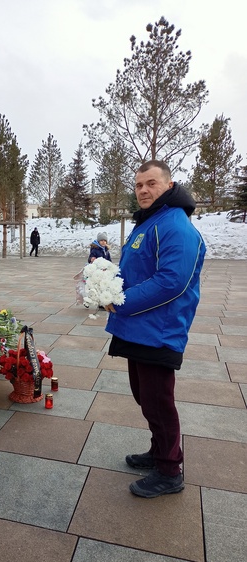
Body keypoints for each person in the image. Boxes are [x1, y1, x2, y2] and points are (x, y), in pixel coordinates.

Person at [104, 159, 206, 499]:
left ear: (168, 184)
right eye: (138, 185)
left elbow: (171, 283)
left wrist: (119, 300)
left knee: (159, 402)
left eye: (151, 183)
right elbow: (135, 270)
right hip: (139, 327)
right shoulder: (151, 222)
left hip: (159, 330)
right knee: (145, 397)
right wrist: (102, 282)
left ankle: (169, 469)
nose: (144, 190)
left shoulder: (176, 225)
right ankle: (158, 450)